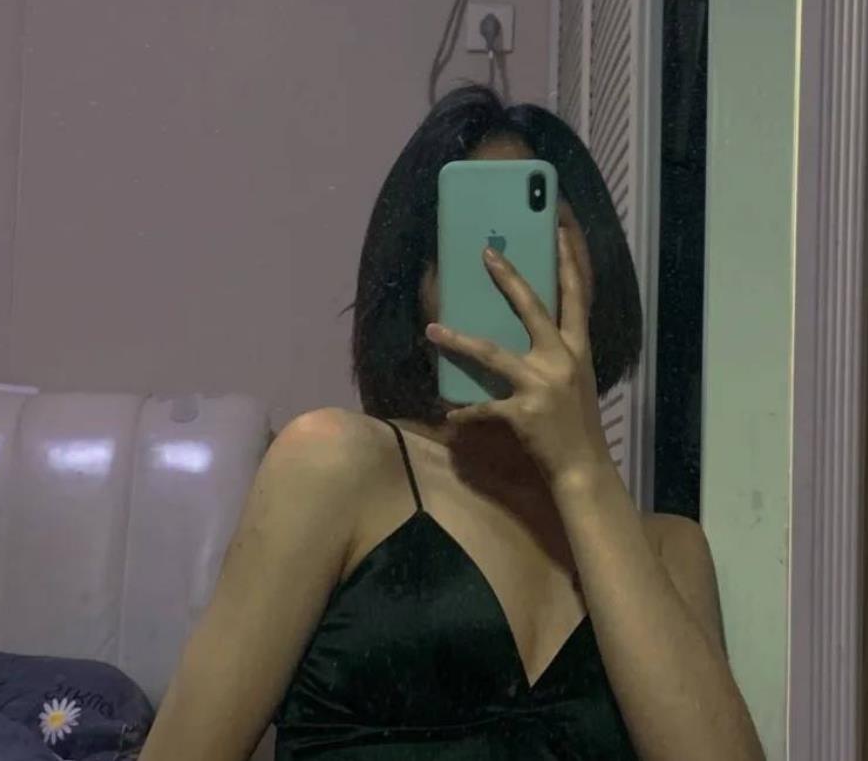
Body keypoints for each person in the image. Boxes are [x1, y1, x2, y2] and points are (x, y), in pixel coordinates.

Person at [138, 86, 765, 761]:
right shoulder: (334, 466)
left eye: (538, 236)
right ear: (418, 287)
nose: (505, 271)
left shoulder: (669, 552)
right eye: (470, 244)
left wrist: (582, 466)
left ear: (597, 263)